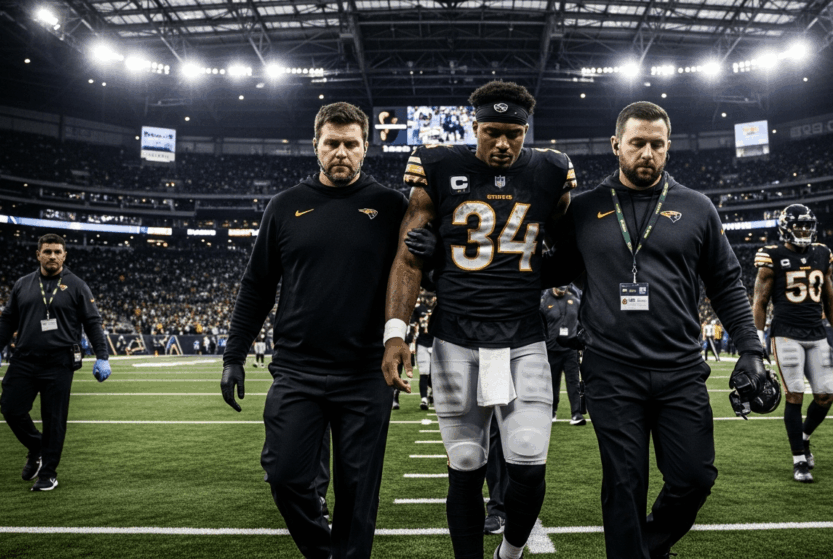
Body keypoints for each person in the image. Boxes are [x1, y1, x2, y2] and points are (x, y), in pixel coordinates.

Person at [541, 101, 776, 559]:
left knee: (694, 478)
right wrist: (448, 257)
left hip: (681, 369)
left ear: (668, 147)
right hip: (611, 370)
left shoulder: (697, 207)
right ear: (616, 146)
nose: (647, 152)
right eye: (637, 143)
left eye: (657, 144)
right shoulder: (584, 209)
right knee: (624, 482)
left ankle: (648, 546)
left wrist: (750, 349)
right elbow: (550, 270)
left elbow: (726, 282)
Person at [220, 102, 424, 559]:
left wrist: (433, 254)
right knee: (285, 473)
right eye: (332, 143)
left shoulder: (392, 206)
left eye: (351, 144)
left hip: (365, 371)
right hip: (297, 370)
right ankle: (323, 551)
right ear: (316, 145)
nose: (341, 153)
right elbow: (257, 287)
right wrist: (234, 355)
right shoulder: (284, 206)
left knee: (357, 493)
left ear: (365, 148)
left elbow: (414, 274)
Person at [382, 80, 576, 559]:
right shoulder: (439, 166)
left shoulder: (551, 170)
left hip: (523, 336)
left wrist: (444, 262)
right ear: (474, 127)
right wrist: (395, 334)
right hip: (455, 337)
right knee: (466, 460)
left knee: (529, 458)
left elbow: (570, 251)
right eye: (492, 132)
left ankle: (509, 554)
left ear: (527, 130)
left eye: (514, 133)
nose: (503, 143)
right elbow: (408, 257)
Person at [0, 233, 111, 492]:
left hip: (59, 361)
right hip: (24, 359)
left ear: (65, 255)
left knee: (54, 419)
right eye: (47, 251)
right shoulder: (23, 284)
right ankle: (36, 447)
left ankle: (48, 473)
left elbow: (93, 322)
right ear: (38, 255)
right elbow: (8, 318)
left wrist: (102, 357)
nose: (52, 256)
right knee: (10, 408)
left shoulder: (77, 285)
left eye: (57, 252)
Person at [752, 203, 833, 483]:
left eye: (808, 225)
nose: (804, 230)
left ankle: (804, 437)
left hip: (817, 333)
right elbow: (760, 301)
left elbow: (829, 299)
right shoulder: (771, 255)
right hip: (786, 333)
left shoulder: (821, 252)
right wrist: (758, 339)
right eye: (798, 226)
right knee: (794, 394)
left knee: (825, 396)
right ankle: (798, 460)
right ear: (785, 228)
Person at [540, 285, 585, 425]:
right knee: (552, 382)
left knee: (574, 382)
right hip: (551, 349)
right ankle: (551, 412)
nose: (561, 289)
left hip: (570, 350)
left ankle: (576, 414)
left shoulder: (575, 299)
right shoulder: (544, 301)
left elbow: (582, 321)